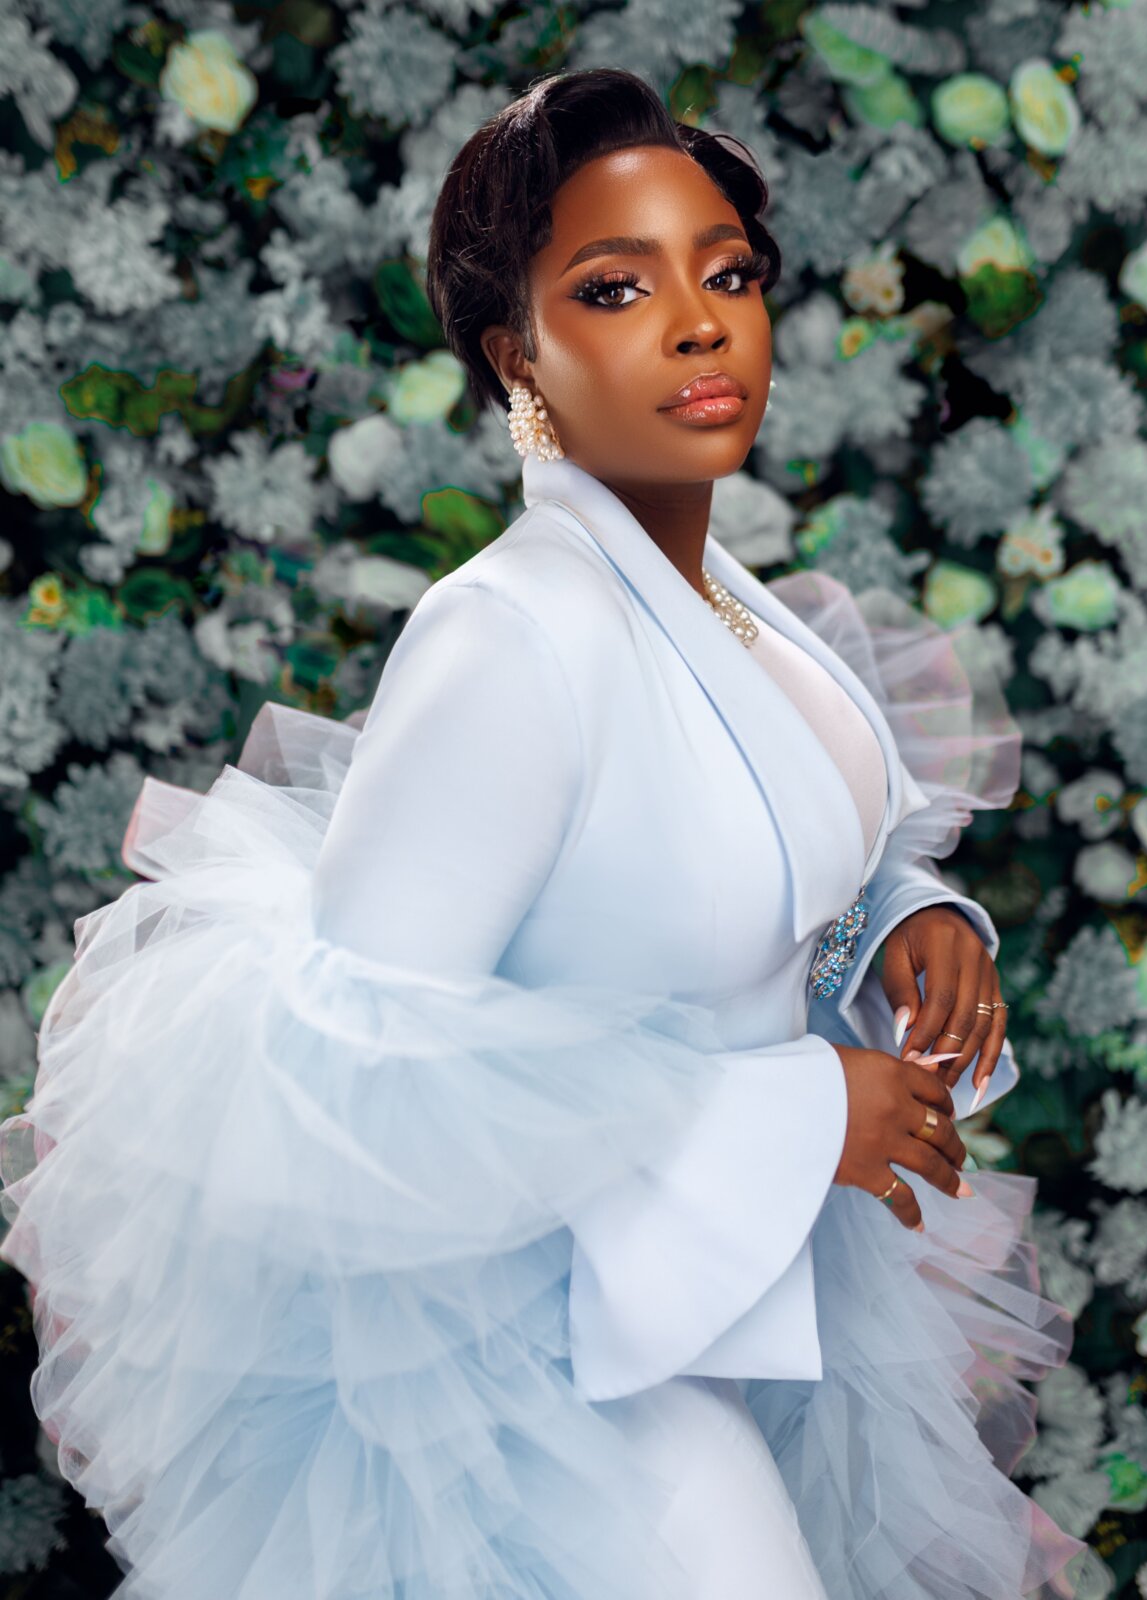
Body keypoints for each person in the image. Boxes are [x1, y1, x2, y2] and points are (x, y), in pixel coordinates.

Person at [0, 66, 1090, 1600]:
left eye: (728, 274)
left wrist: (901, 918)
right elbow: (350, 1087)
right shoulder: (510, 640)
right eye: (614, 287)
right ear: (520, 358)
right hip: (538, 1378)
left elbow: (742, 865)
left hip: (732, 1307)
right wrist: (794, 1118)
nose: (703, 323)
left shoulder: (732, 604)